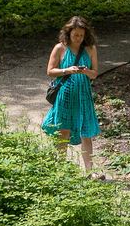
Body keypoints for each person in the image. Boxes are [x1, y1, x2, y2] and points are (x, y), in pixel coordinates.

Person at [43, 17, 100, 175]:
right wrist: (66, 70)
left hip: (84, 97)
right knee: (64, 132)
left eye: (81, 35)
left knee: (86, 133)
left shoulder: (90, 49)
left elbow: (95, 74)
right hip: (65, 96)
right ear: (68, 33)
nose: (78, 38)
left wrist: (86, 71)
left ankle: (90, 173)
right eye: (75, 35)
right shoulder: (60, 48)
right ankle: (61, 169)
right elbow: (50, 71)